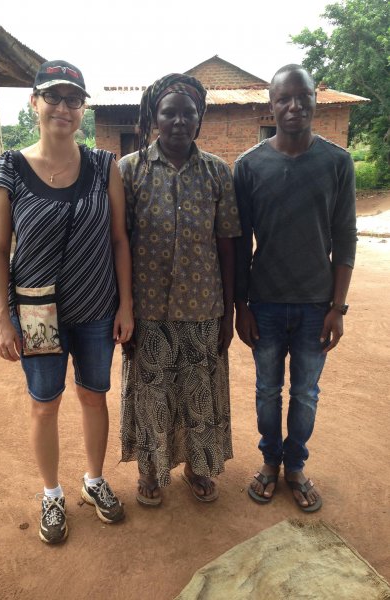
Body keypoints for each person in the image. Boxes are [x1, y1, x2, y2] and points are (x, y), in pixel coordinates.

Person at [0, 60, 133, 543]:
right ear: (34, 103)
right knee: (44, 405)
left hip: (95, 309)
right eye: (53, 97)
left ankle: (94, 481)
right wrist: (0, 319)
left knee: (94, 395)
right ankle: (51, 493)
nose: (63, 108)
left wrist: (125, 304)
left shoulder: (103, 166)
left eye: (73, 99)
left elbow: (118, 241)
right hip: (35, 314)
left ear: (83, 108)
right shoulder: (9, 167)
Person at [234, 64, 357, 512]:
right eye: (283, 98)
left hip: (315, 306)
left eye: (301, 96)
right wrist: (240, 306)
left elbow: (345, 239)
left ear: (315, 100)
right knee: (267, 390)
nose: (293, 106)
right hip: (264, 304)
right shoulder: (248, 166)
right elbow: (240, 240)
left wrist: (337, 308)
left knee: (306, 392)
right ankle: (270, 463)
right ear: (271, 105)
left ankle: (296, 467)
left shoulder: (337, 162)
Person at [118, 73, 242, 506]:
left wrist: (227, 314)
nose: (178, 120)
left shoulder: (217, 173)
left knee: (199, 395)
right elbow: (119, 243)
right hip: (148, 313)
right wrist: (125, 309)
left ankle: (198, 466)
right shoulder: (129, 171)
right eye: (169, 111)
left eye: (188, 112)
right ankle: (151, 473)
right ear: (155, 115)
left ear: (200, 118)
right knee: (151, 395)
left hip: (203, 311)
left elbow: (228, 247)